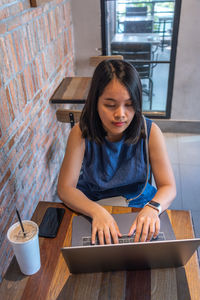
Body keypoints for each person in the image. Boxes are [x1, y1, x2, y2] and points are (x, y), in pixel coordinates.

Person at [57, 59, 176, 245]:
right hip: (93, 208)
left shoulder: (151, 131)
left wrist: (153, 207)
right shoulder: (80, 133)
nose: (120, 114)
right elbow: (65, 188)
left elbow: (169, 186)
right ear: (95, 102)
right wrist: (96, 211)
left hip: (140, 207)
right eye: (110, 105)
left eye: (129, 105)